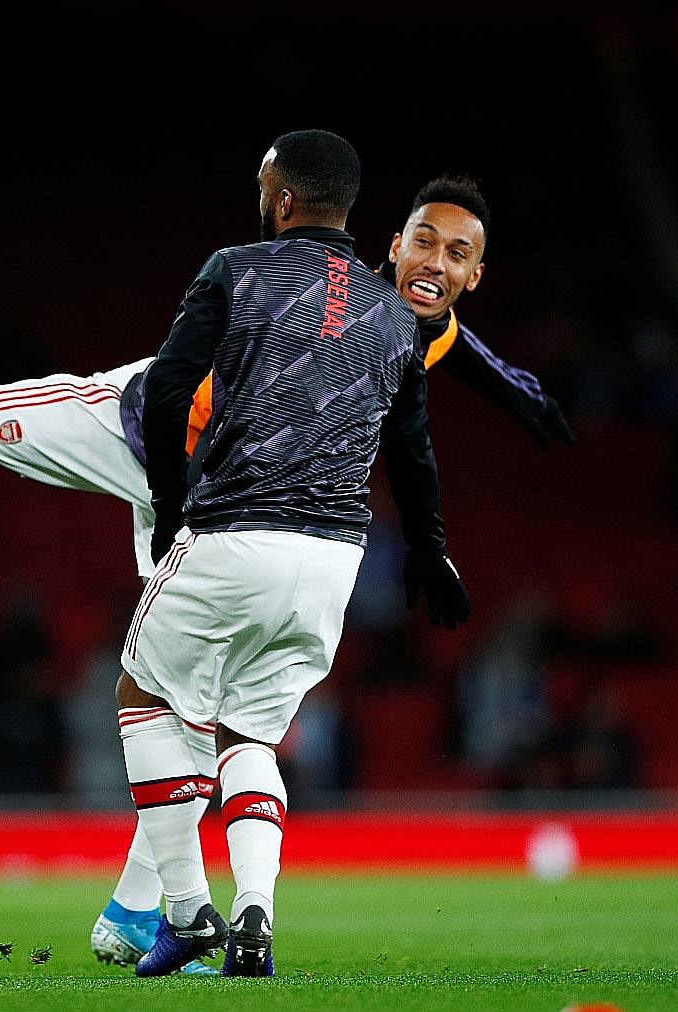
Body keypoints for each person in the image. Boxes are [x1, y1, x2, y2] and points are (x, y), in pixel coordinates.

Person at [0, 169, 559, 970]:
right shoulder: (340, 294)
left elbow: (443, 343)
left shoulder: (411, 324)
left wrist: (511, 387)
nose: (436, 265)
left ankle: (144, 909)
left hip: (234, 499)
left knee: (192, 705)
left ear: (475, 275)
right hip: (144, 430)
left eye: (457, 256)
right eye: (424, 242)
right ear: (390, 244)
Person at [117, 129, 468, 978]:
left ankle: (189, 908)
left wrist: (169, 505)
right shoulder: (398, 314)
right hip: (335, 562)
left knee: (142, 694)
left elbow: (167, 392)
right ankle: (256, 918)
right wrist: (431, 554)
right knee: (251, 736)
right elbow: (414, 454)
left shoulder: (237, 269)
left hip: (236, 528)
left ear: (281, 199)